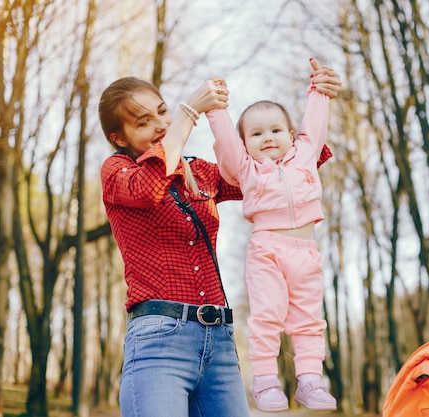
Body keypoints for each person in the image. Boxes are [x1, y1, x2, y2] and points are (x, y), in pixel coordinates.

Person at [98, 70, 339, 417]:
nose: (160, 125)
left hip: (219, 342)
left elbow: (273, 178)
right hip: (159, 340)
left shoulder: (202, 172)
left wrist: (319, 100)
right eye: (142, 122)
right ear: (118, 137)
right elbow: (150, 187)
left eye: (163, 112)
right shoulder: (118, 172)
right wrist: (189, 111)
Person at [205, 58, 341, 412]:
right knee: (268, 316)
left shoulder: (306, 153)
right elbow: (225, 140)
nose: (267, 138)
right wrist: (217, 107)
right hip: (267, 250)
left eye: (276, 130)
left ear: (292, 135)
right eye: (256, 133)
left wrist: (318, 89)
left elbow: (315, 122)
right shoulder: (245, 168)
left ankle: (310, 380)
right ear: (245, 143)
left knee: (309, 319)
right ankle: (265, 381)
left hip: (305, 251)